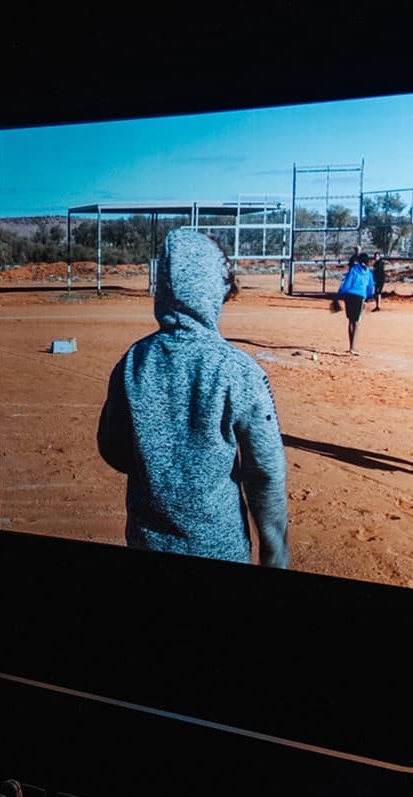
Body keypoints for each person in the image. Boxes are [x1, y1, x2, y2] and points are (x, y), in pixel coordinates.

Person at [98, 228, 289, 568]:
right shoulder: (239, 371)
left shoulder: (133, 362)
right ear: (214, 287)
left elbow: (112, 449)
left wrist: (157, 464)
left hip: (146, 540)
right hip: (220, 546)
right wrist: (275, 552)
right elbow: (265, 472)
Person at [333, 249, 375, 355]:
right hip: (359, 297)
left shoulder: (353, 270)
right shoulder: (368, 273)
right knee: (356, 323)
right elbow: (370, 287)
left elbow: (346, 283)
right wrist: (369, 298)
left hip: (349, 296)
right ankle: (353, 347)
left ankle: (351, 346)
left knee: (351, 321)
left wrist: (340, 295)